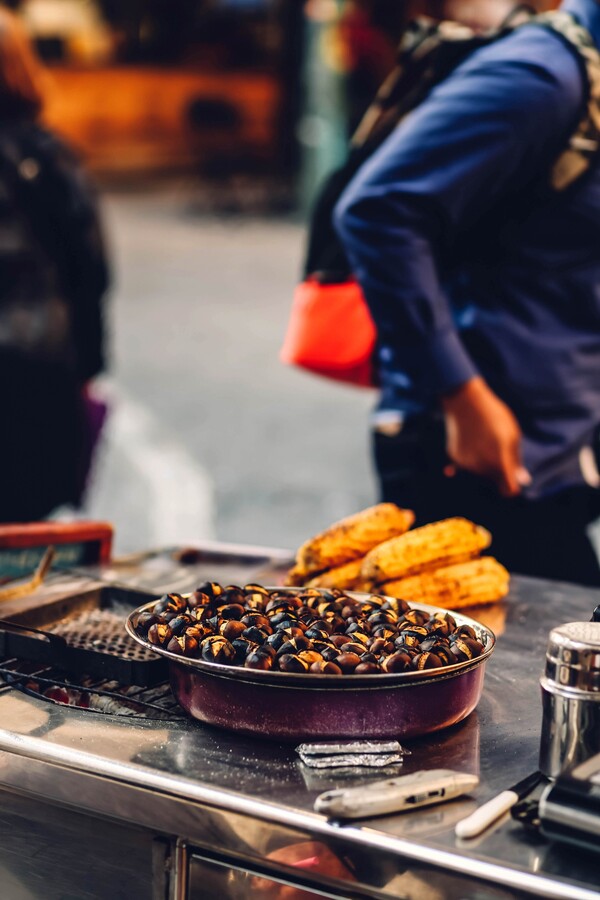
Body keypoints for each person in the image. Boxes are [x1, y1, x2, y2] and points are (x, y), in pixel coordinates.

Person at [333, 0, 600, 586]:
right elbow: (378, 213)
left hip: (561, 449)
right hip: (476, 452)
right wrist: (462, 394)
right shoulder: (540, 77)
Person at [0, 8, 110, 521]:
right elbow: (91, 273)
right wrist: (88, 369)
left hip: (31, 369)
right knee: (25, 554)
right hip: (43, 374)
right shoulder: (49, 155)